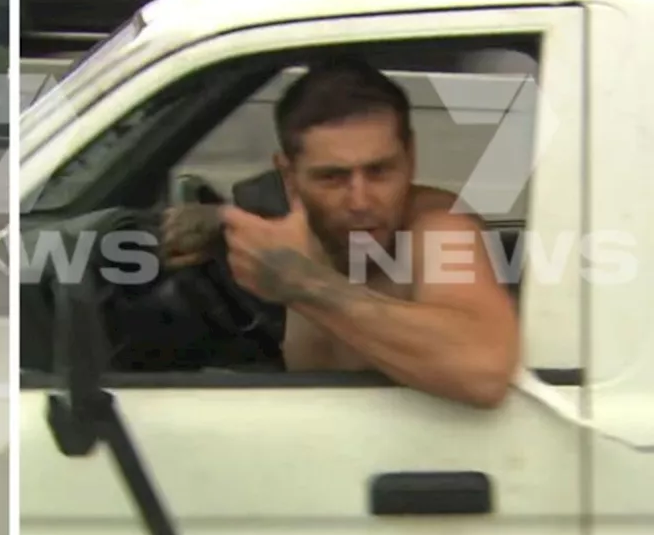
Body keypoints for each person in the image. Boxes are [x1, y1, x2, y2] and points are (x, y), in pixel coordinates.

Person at [163, 55, 519, 408]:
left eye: (379, 171)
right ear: (289, 176)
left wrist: (304, 283)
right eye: (332, 178)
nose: (360, 201)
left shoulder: (438, 226)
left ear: (410, 157)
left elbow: (484, 372)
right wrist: (212, 220)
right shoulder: (287, 223)